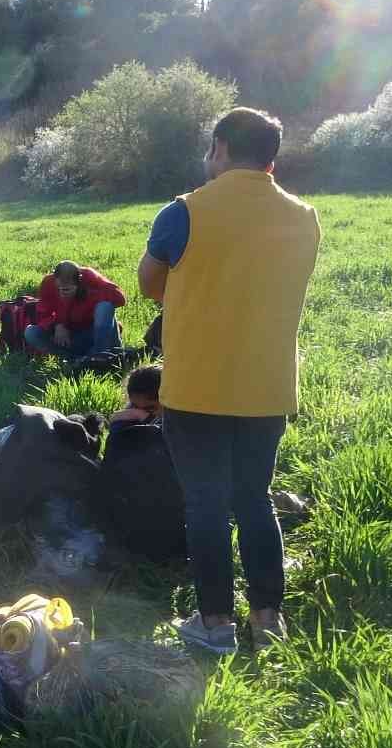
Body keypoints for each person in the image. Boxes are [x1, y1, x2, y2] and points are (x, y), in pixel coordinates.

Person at [137, 107, 320, 654]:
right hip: (266, 387)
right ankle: (268, 619)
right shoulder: (304, 216)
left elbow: (150, 284)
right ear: (272, 157)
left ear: (218, 147)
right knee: (255, 498)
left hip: (197, 387)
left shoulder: (184, 211)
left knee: (206, 505)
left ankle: (214, 623)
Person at [23, 261, 126, 359]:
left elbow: (120, 298)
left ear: (79, 282)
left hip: (94, 334)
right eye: (60, 289)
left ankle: (100, 356)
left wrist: (89, 294)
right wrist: (56, 325)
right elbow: (42, 313)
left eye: (67, 289)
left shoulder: (89, 276)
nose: (63, 293)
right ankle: (74, 360)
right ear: (55, 280)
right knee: (31, 332)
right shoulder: (48, 282)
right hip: (67, 338)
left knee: (104, 306)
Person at [110, 364, 163, 434]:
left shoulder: (176, 415)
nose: (140, 412)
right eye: (135, 407)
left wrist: (146, 418)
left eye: (150, 408)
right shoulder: (131, 414)